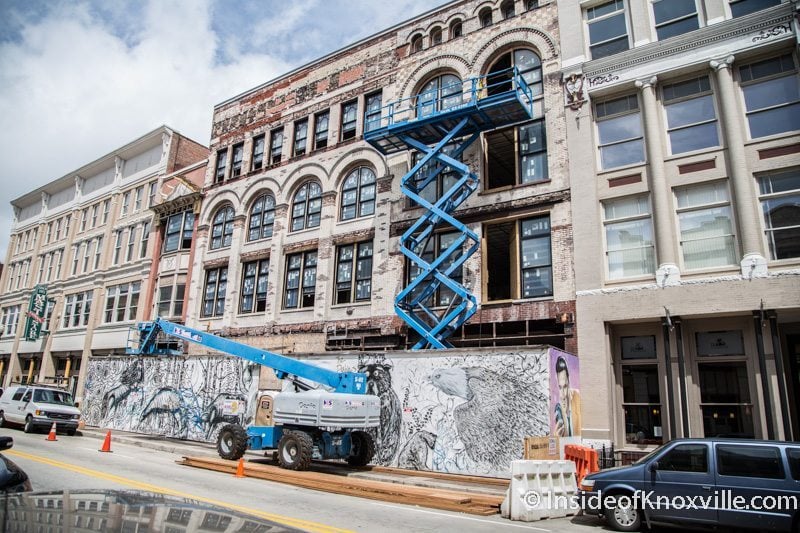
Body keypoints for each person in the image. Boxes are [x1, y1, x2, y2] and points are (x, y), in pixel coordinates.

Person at [554, 356, 581, 437]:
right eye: (560, 387)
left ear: (569, 381)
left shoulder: (576, 396)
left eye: (565, 386)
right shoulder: (558, 409)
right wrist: (557, 437)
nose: (563, 395)